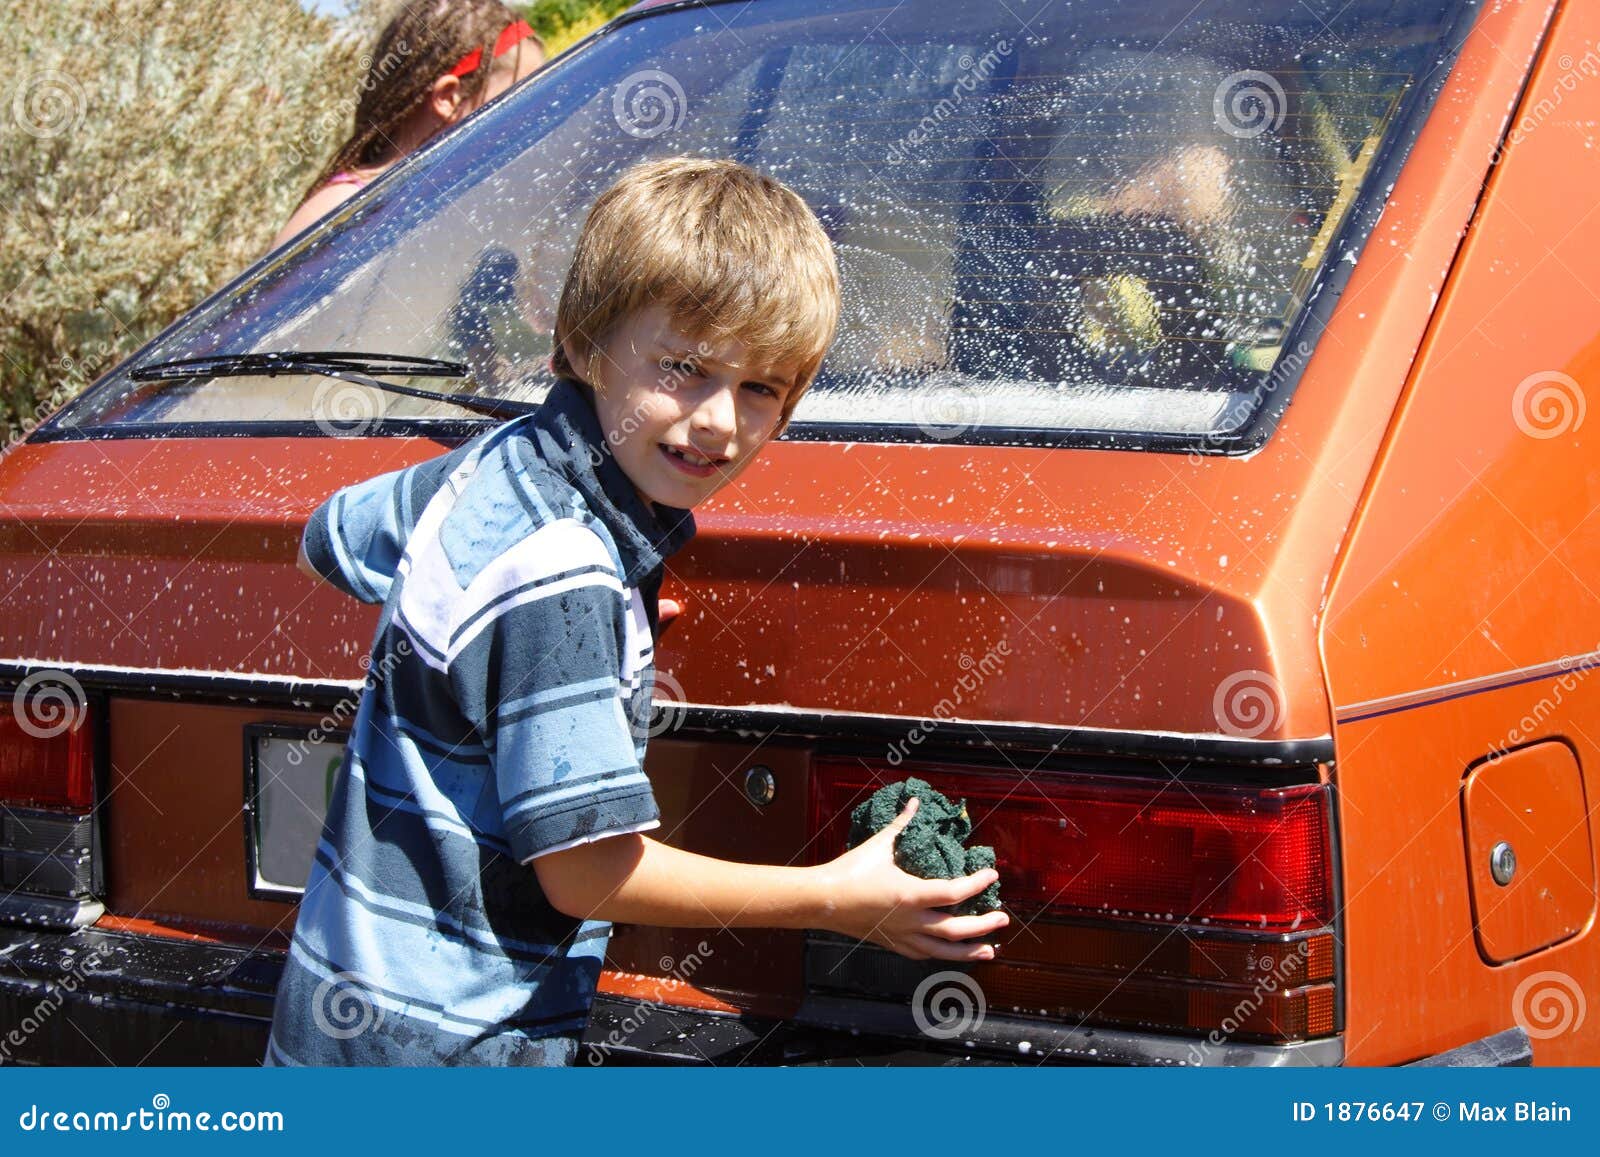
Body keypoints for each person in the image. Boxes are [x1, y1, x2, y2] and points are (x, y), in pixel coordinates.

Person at [263, 156, 1009, 1066]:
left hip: (333, 1017)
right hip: (457, 1048)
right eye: (685, 368)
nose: (719, 422)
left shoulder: (493, 465)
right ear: (582, 342)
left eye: (762, 387)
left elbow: (328, 537)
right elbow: (585, 872)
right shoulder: (563, 568)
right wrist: (836, 897)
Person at [270, 0, 544, 250]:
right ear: (448, 97)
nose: (539, 115)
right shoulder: (343, 212)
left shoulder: (469, 192)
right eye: (522, 99)